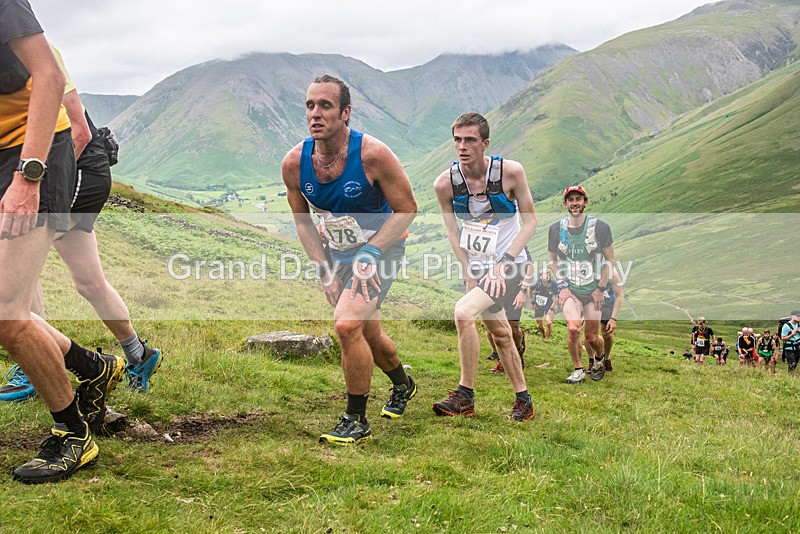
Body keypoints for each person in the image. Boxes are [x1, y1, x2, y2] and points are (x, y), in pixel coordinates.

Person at [0, 45, 162, 404]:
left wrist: (44, 183)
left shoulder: (37, 50)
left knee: (18, 263)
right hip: (69, 171)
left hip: (76, 168)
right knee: (88, 282)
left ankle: (34, 361)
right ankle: (139, 355)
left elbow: (79, 131)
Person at [0, 0, 105, 483]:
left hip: (35, 154)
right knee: (11, 306)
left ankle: (73, 435)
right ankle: (91, 365)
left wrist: (29, 176)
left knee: (6, 314)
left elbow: (50, 76)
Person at [282, 75, 417, 444]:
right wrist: (324, 269)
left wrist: (372, 252)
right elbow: (304, 223)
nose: (315, 114)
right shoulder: (295, 163)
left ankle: (356, 418)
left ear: (345, 113)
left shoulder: (373, 155)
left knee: (346, 326)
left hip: (383, 247)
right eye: (310, 105)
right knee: (367, 330)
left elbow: (406, 209)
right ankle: (403, 385)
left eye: (325, 106)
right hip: (338, 254)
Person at [431, 112, 537, 422]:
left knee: (464, 313)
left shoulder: (511, 173)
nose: (462, 146)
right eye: (457, 140)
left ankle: (465, 395)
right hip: (479, 266)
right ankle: (524, 401)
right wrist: (466, 270)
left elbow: (530, 222)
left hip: (512, 263)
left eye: (470, 140)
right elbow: (453, 232)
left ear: (485, 143)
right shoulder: (445, 184)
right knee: (502, 334)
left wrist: (503, 264)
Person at [548, 185, 614, 383]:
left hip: (593, 290)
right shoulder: (556, 229)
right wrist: (562, 286)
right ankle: (578, 369)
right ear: (565, 204)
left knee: (592, 337)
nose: (575, 203)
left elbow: (610, 260)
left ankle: (600, 357)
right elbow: (552, 260)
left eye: (579, 199)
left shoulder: (601, 227)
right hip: (571, 289)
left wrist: (601, 289)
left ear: (585, 202)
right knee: (573, 329)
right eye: (571, 200)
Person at [486, 259, 531, 373]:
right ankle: (502, 358)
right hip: (496, 289)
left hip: (514, 290)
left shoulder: (518, 246)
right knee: (492, 327)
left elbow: (530, 268)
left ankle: (516, 355)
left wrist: (523, 291)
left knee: (513, 328)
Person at [585, 268, 624, 372]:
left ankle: (606, 358)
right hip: (591, 302)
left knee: (606, 333)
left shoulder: (612, 272)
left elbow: (619, 295)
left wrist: (613, 319)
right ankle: (592, 360)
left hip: (608, 303)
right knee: (589, 334)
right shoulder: (585, 268)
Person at [530, 268, 557, 340]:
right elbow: (529, 290)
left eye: (547, 275)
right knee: (539, 325)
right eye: (543, 275)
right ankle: (544, 334)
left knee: (549, 323)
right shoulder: (536, 282)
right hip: (538, 304)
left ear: (549, 275)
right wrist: (532, 302)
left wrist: (552, 308)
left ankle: (547, 340)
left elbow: (557, 296)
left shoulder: (553, 283)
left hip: (549, 304)